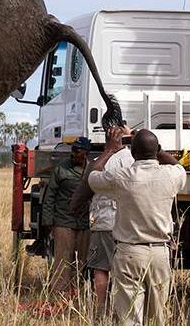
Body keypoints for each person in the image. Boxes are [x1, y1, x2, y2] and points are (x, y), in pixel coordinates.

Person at [88, 127, 187, 326]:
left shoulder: (122, 177)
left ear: (132, 153)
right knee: (158, 317)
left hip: (129, 252)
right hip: (160, 253)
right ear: (157, 150)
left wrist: (109, 150)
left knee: (129, 318)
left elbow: (92, 177)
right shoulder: (171, 175)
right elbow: (180, 167)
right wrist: (158, 151)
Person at [70, 125, 134, 312]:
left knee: (101, 268)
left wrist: (108, 151)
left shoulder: (100, 161)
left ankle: (101, 308)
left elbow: (87, 182)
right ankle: (124, 309)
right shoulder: (133, 160)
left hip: (104, 222)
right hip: (128, 224)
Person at [40, 136, 91, 297]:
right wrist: (48, 221)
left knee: (83, 261)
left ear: (85, 153)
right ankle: (59, 295)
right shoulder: (61, 168)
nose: (73, 153)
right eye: (72, 149)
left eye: (77, 150)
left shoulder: (92, 169)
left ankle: (78, 294)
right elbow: (50, 196)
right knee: (62, 260)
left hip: (85, 223)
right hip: (63, 221)